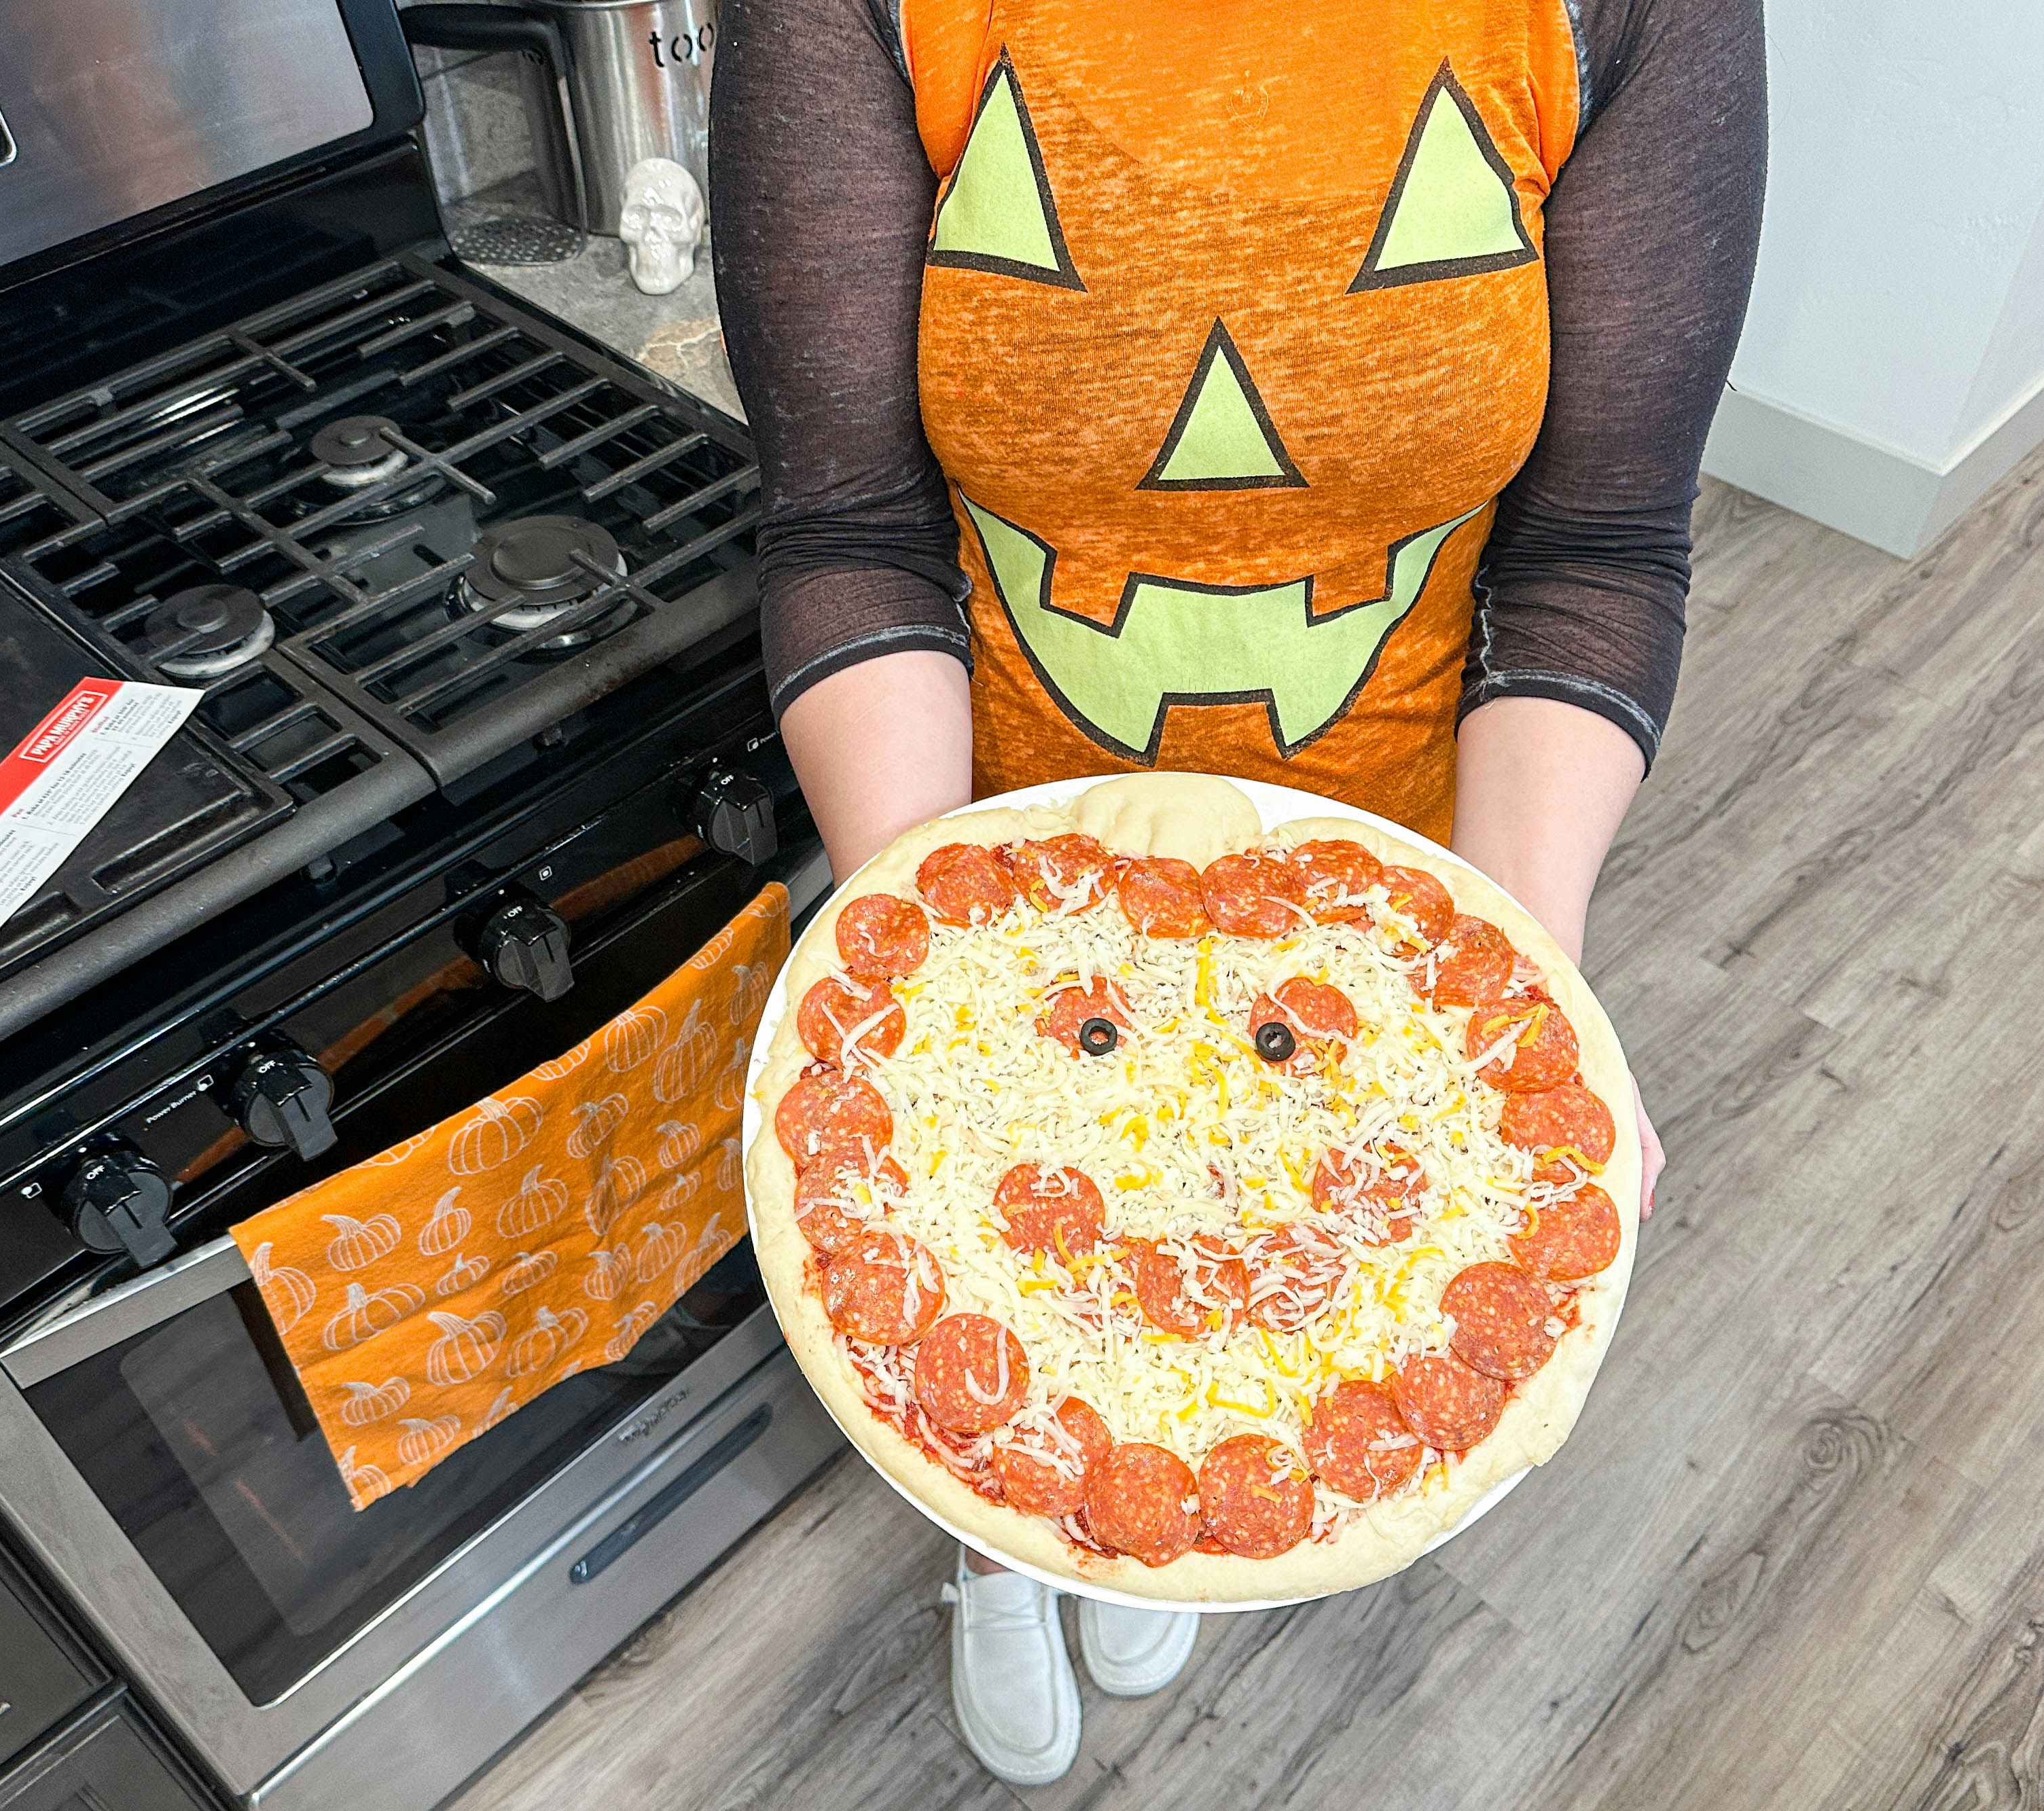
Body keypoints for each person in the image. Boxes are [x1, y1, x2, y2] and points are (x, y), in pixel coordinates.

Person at [713, 0, 1764, 1785]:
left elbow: (1592, 545)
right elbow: (847, 519)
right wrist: (915, 974)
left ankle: (1157, 1501)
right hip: (989, 867)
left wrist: (1516, 1004)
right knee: (1022, 1325)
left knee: (1239, 1320)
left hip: (1393, 922)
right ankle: (995, 1536)